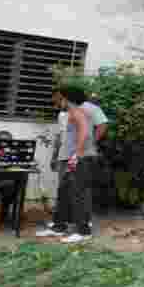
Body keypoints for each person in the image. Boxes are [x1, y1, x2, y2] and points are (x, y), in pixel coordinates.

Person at [36, 86, 98, 243]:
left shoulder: (77, 112)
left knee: (78, 193)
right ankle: (59, 227)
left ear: (66, 98)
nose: (56, 102)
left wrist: (77, 154)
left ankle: (83, 231)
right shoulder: (71, 113)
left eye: (58, 99)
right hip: (71, 158)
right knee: (64, 192)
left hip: (79, 158)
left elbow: (85, 132)